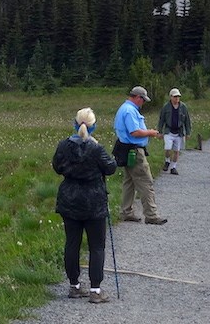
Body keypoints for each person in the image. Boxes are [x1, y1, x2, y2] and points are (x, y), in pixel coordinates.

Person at [53, 107, 117, 303]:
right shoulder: (96, 149)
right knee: (97, 246)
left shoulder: (64, 146)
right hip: (93, 200)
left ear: (75, 124)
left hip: (69, 199)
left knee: (72, 243)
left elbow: (56, 167)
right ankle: (96, 291)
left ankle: (74, 286)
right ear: (93, 126)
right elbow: (111, 168)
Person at [114, 86, 167, 225]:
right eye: (143, 100)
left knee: (129, 182)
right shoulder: (130, 111)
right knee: (145, 181)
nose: (143, 103)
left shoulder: (123, 108)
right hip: (134, 151)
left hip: (125, 149)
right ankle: (151, 214)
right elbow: (134, 132)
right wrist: (150, 132)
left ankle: (126, 211)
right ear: (138, 97)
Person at [158, 87, 192, 175]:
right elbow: (161, 120)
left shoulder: (183, 107)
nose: (177, 98)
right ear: (171, 97)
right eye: (175, 97)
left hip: (179, 131)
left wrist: (188, 132)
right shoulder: (166, 107)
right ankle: (167, 161)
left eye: (178, 97)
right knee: (168, 148)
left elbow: (187, 120)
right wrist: (160, 131)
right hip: (169, 130)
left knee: (177, 150)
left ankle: (173, 167)